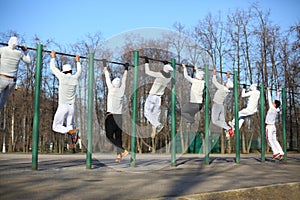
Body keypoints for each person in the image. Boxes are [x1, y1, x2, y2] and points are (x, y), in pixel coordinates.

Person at [50, 50, 81, 145]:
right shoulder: (75, 78)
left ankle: (71, 132)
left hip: (63, 106)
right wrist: (78, 61)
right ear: (71, 71)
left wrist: (53, 57)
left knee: (55, 126)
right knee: (70, 124)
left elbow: (53, 68)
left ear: (64, 71)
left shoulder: (62, 77)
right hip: (71, 107)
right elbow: (79, 71)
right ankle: (71, 132)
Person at [103, 60, 129, 163]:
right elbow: (125, 79)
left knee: (109, 136)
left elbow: (107, 78)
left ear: (113, 84)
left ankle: (122, 150)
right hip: (119, 117)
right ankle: (119, 155)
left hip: (111, 116)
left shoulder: (111, 89)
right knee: (118, 137)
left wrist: (105, 67)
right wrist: (126, 69)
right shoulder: (122, 90)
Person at [144, 57, 173, 138]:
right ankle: (155, 127)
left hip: (152, 96)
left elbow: (147, 71)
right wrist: (166, 64)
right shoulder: (169, 77)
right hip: (158, 98)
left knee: (147, 113)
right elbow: (167, 70)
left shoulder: (160, 75)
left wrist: (146, 63)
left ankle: (157, 125)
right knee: (155, 115)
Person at [0, 36, 31, 108]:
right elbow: (28, 61)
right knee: (2, 102)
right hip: (12, 81)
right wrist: (26, 51)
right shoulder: (19, 53)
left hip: (2, 78)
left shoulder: (3, 50)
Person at [211, 69, 234, 138]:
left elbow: (214, 81)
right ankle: (228, 131)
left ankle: (228, 128)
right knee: (222, 121)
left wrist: (214, 74)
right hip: (221, 106)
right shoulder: (227, 90)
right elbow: (229, 83)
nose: (225, 83)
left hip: (217, 105)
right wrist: (228, 77)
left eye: (226, 82)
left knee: (214, 121)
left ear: (226, 85)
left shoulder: (222, 88)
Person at [265, 88, 284, 160]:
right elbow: (277, 101)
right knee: (274, 140)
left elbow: (269, 99)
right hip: (273, 127)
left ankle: (275, 152)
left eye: (274, 102)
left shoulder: (272, 108)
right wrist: (278, 93)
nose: (272, 102)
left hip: (269, 127)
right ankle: (281, 152)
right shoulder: (277, 109)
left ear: (274, 104)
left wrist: (268, 91)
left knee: (269, 139)